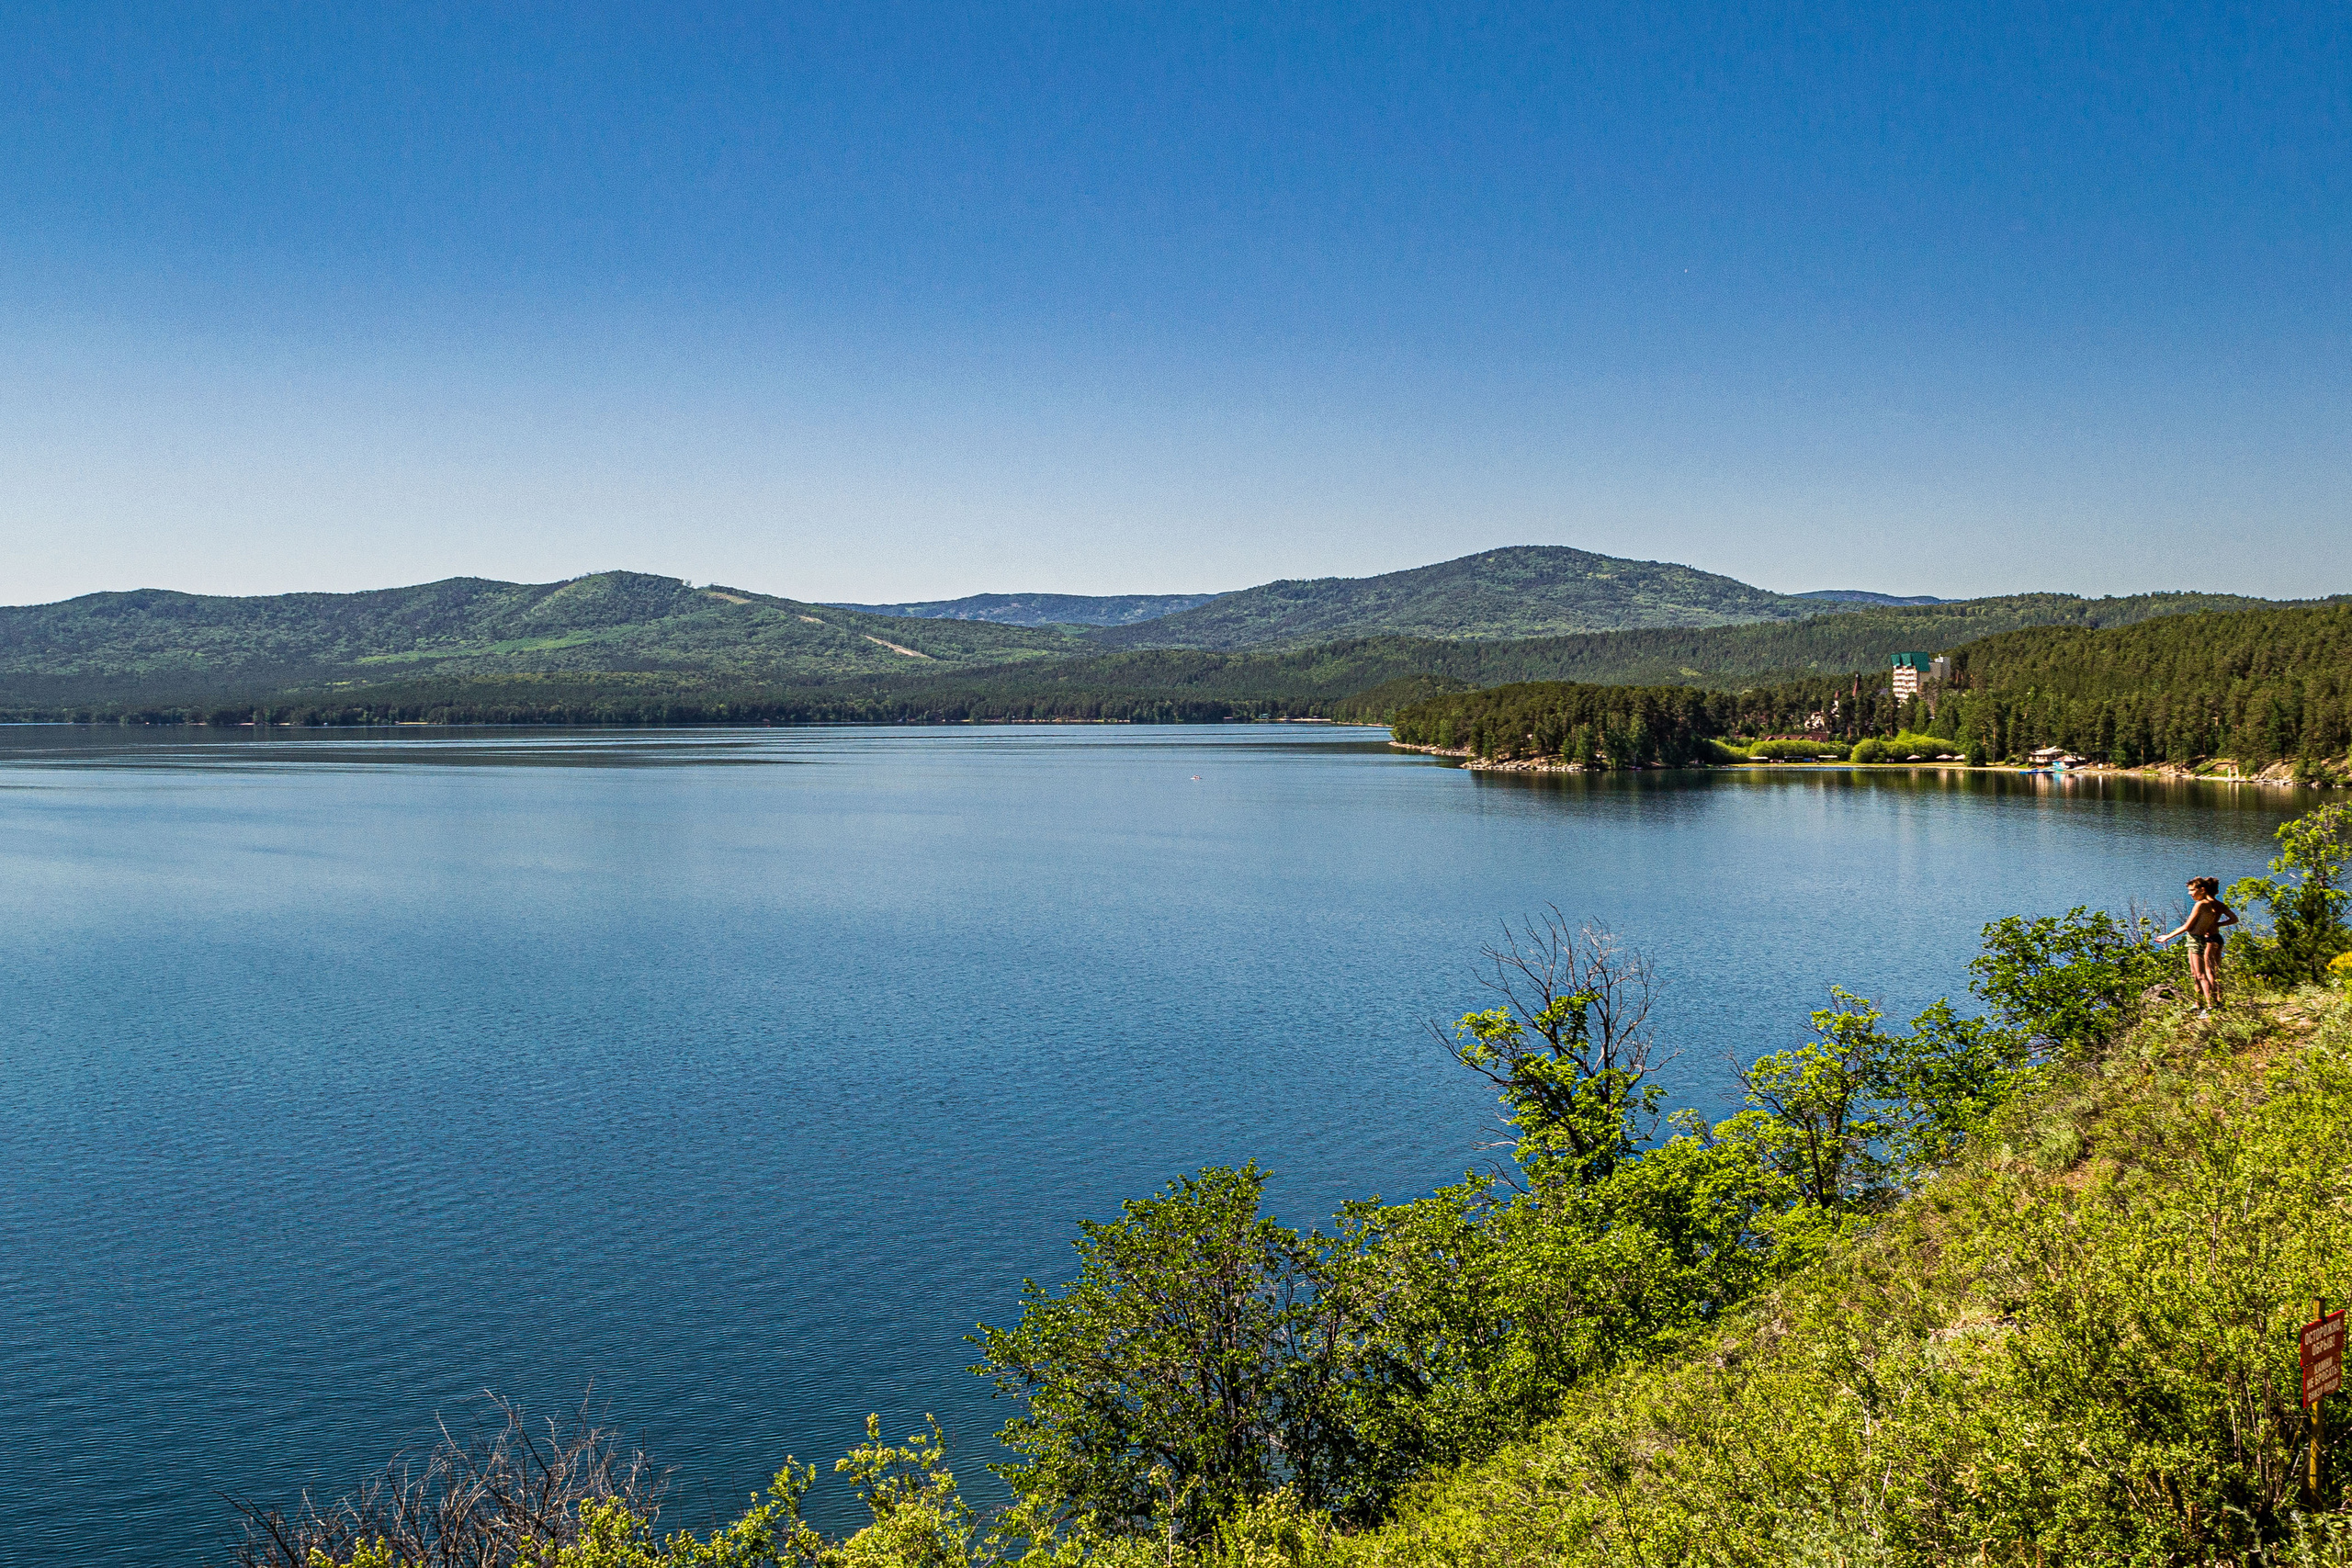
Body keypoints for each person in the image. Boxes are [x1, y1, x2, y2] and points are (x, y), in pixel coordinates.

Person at [2158, 875, 2239, 1010]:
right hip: (2211, 937)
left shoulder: (2203, 904)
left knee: (2204, 973)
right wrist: (2217, 924)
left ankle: (2211, 1005)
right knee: (2204, 973)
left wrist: (2167, 936)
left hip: (2201, 939)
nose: (2190, 893)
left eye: (2192, 890)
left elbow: (2187, 926)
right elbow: (2232, 919)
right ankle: (2206, 1002)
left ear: (2203, 889)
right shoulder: (2215, 905)